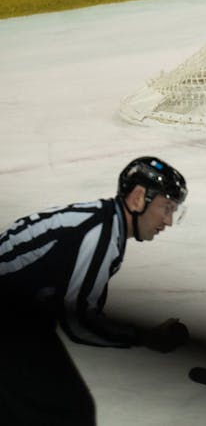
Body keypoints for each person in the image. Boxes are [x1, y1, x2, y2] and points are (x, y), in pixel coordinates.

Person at [0, 156, 191, 424]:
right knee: (69, 411)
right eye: (166, 208)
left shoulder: (102, 222)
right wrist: (144, 336)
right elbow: (79, 324)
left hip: (18, 324)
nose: (168, 221)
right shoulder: (98, 233)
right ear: (138, 198)